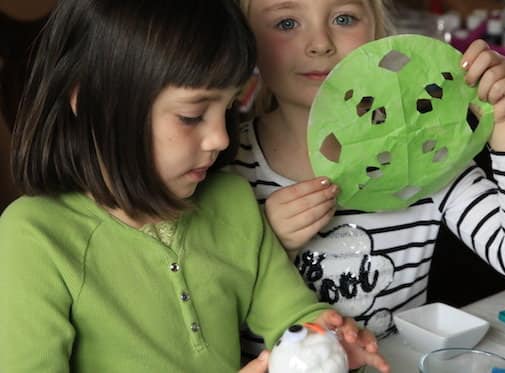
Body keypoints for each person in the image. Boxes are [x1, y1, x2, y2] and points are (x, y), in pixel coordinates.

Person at [0, 1, 391, 372]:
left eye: (228, 108)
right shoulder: (34, 238)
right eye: (191, 116)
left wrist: (324, 335)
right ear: (90, 101)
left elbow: (290, 314)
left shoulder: (233, 200)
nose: (220, 138)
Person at [231, 0, 505, 352]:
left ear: (378, 31)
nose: (320, 42)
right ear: (245, 42)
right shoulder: (226, 164)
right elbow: (200, 320)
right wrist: (266, 245)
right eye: (285, 23)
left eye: (344, 18)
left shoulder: (426, 157)